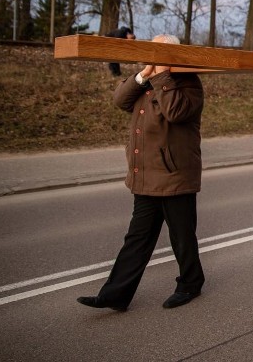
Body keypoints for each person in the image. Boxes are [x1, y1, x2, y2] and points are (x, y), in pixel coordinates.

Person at [77, 34, 205, 311]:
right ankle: (115, 295)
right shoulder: (149, 82)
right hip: (146, 175)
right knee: (137, 239)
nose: (154, 56)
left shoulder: (189, 84)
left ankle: (191, 283)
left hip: (174, 175)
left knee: (182, 236)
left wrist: (163, 76)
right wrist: (143, 74)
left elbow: (175, 112)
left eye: (160, 52)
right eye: (152, 50)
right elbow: (120, 100)